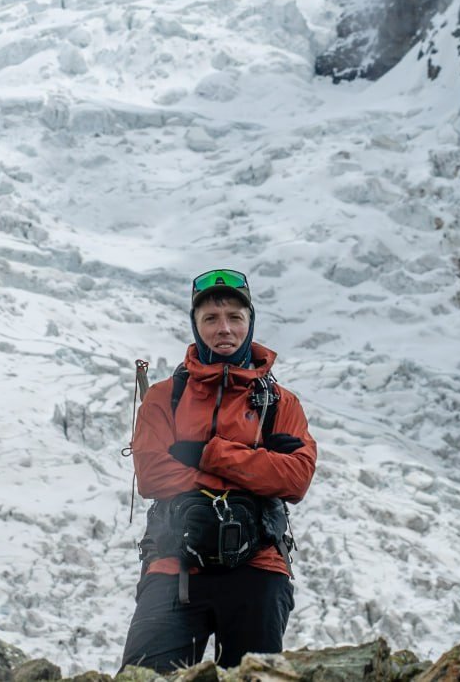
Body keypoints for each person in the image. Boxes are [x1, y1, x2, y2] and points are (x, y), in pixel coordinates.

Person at [121, 268, 318, 672]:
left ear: (250, 322)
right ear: (195, 325)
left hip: (258, 568)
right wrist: (258, 464)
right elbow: (153, 475)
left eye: (234, 317)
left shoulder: (281, 402)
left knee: (254, 680)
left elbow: (296, 478)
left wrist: (204, 454)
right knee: (143, 677)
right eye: (210, 318)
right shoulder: (163, 398)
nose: (223, 328)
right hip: (174, 566)